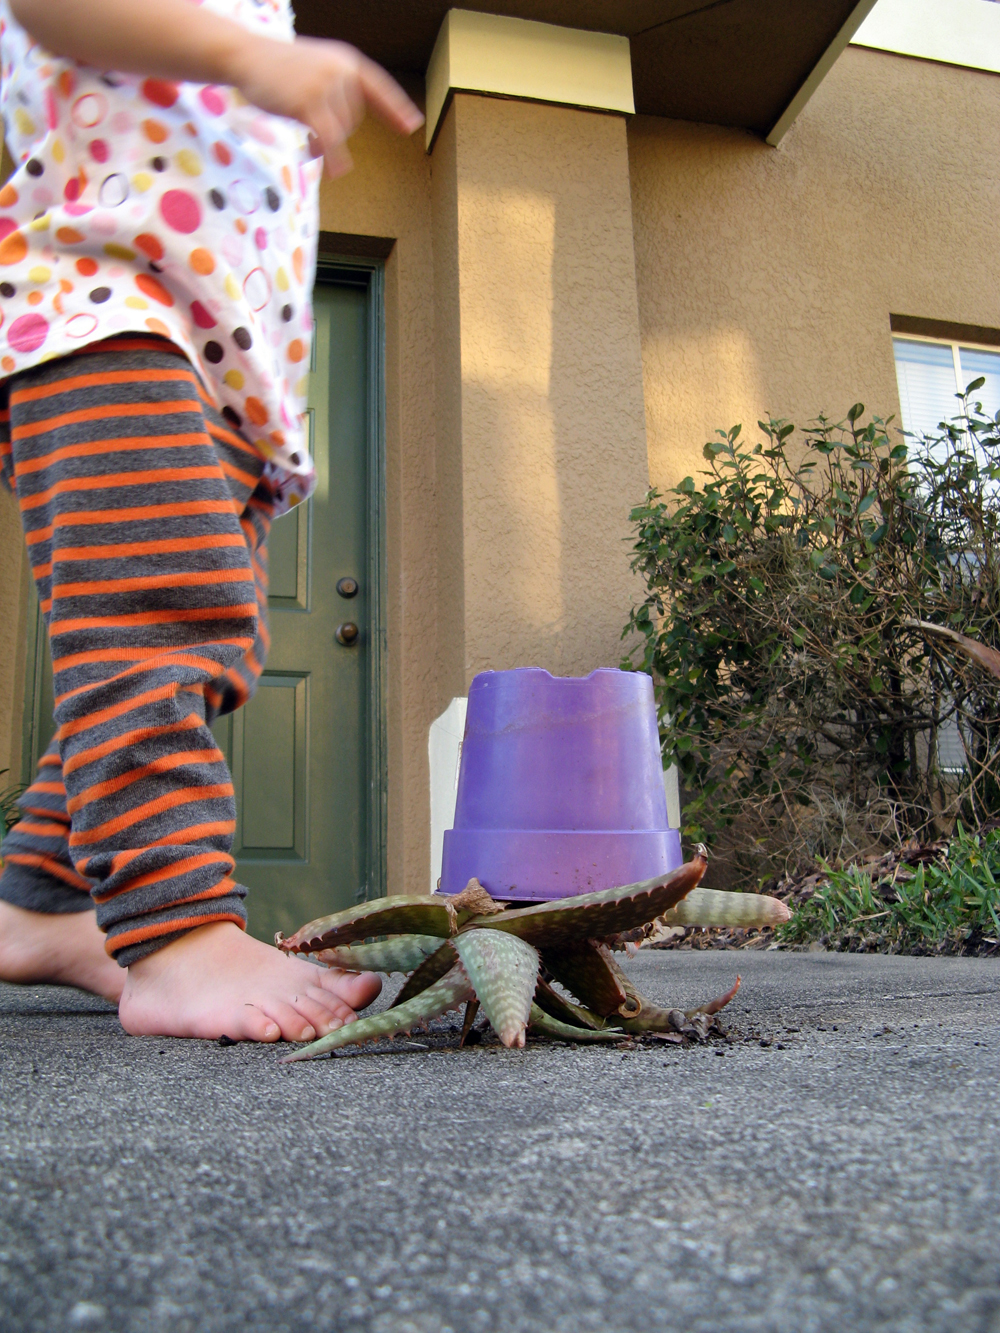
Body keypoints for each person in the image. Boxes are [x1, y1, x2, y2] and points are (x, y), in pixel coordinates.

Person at [0, 0, 423, 1041]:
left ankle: (44, 904)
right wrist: (246, 56)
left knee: (214, 647)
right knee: (156, 620)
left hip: (230, 376)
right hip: (103, 299)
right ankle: (174, 930)